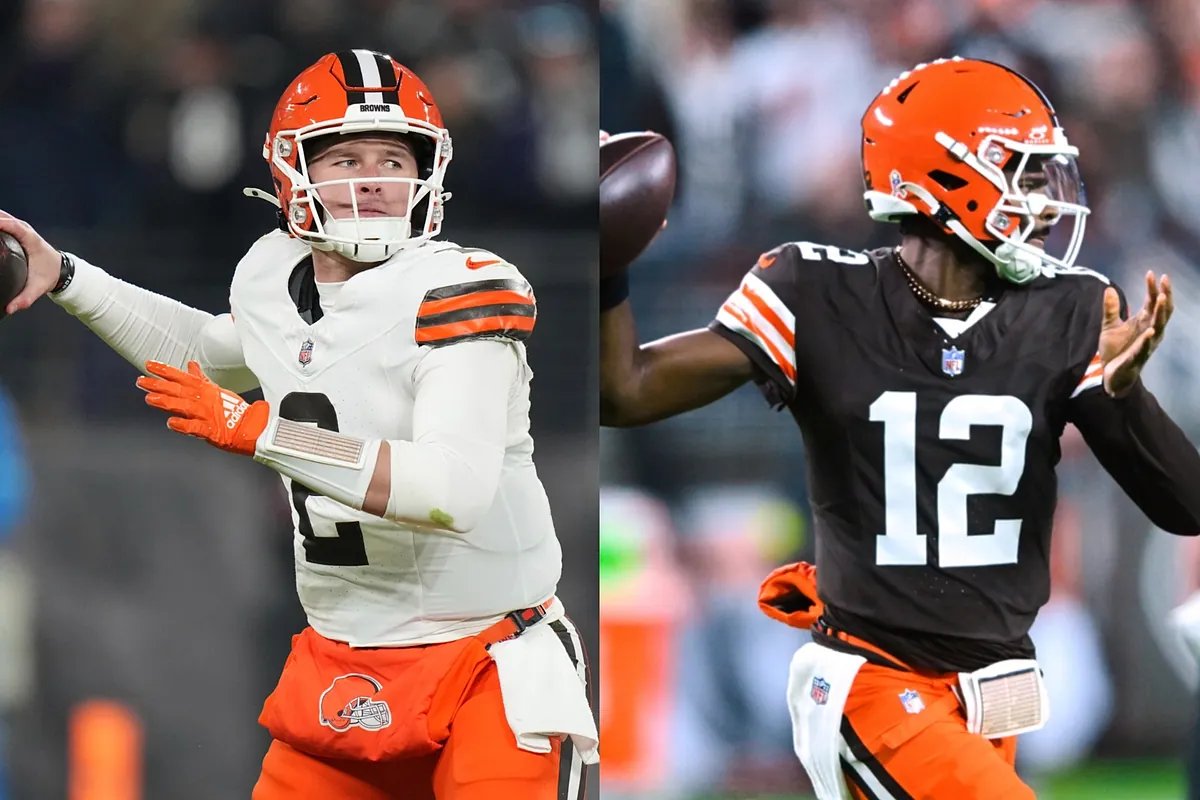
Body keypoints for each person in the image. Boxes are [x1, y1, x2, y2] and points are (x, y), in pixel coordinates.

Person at [0, 49, 596, 800]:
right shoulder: (273, 274)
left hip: (485, 659)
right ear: (293, 169)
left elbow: (453, 488)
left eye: (393, 156)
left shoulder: (460, 288)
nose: (375, 176)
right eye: (346, 156)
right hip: (345, 659)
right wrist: (70, 279)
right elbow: (204, 355)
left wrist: (263, 434)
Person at [600, 56, 1200, 799]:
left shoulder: (1070, 309)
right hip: (871, 677)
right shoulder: (817, 292)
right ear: (945, 177)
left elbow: (1187, 506)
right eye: (1025, 172)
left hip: (991, 686)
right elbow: (627, 391)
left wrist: (1124, 393)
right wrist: (608, 274)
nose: (1048, 202)